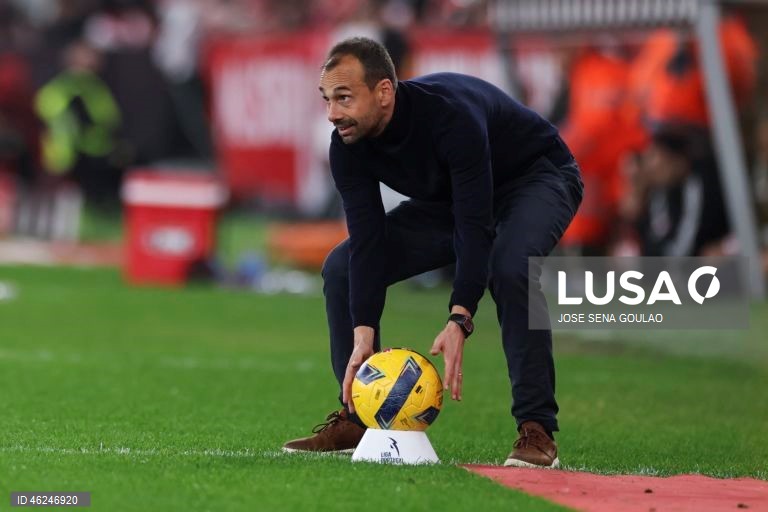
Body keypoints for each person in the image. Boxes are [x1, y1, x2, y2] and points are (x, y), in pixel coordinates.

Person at [282, 37, 583, 468]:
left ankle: (536, 429)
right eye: (327, 99)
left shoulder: (450, 117)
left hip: (536, 178)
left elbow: (475, 225)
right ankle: (358, 416)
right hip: (452, 200)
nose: (333, 113)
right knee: (342, 267)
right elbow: (368, 240)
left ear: (384, 91)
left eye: (344, 97)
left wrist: (460, 315)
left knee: (510, 266)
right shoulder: (346, 144)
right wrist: (363, 331)